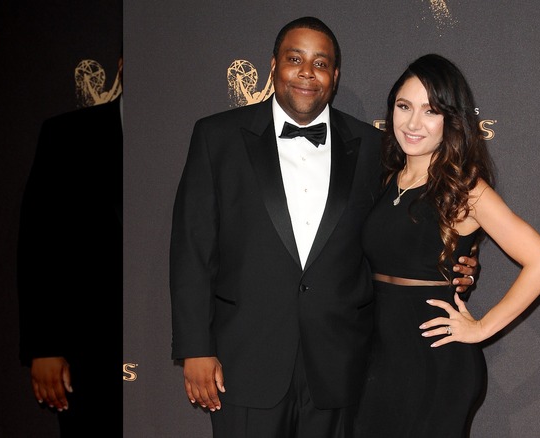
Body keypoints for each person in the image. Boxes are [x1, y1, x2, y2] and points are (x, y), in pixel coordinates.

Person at [169, 17, 476, 437]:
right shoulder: (216, 137)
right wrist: (195, 348)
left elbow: (402, 228)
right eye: (295, 59)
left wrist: (457, 258)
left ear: (335, 75)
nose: (307, 73)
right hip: (245, 361)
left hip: (342, 364)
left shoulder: (374, 147)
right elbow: (192, 249)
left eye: (321, 63)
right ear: (273, 65)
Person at [354, 53, 540, 437]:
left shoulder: (465, 189)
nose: (413, 122)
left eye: (430, 111)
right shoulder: (387, 180)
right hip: (380, 358)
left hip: (435, 363)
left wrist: (482, 328)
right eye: (404, 106)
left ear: (451, 121)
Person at [17, 57, 123, 437]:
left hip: (178, 351)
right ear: (123, 64)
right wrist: (43, 344)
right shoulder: (66, 134)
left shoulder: (201, 133)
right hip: (86, 349)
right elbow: (38, 242)